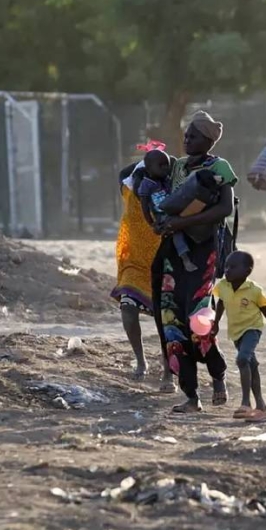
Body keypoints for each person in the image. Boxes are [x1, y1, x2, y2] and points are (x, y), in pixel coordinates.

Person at [152, 110, 238, 414]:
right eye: (186, 135)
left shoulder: (220, 167)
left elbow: (225, 209)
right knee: (170, 320)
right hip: (173, 253)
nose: (187, 139)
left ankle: (218, 375)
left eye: (193, 135)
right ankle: (191, 395)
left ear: (209, 140)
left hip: (204, 251)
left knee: (198, 320)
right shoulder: (176, 167)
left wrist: (182, 224)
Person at [112, 148, 166, 384]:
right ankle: (141, 360)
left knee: (166, 320)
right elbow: (126, 172)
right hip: (134, 265)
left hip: (164, 264)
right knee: (128, 309)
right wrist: (144, 163)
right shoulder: (127, 190)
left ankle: (168, 368)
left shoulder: (164, 194)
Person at [212, 251, 266, 421]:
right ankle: (262, 406)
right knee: (252, 365)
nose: (227, 270)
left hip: (252, 329)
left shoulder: (254, 290)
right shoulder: (223, 286)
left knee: (242, 359)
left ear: (247, 271)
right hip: (236, 332)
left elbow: (264, 307)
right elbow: (221, 304)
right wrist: (217, 322)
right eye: (226, 266)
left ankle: (245, 403)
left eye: (233, 267)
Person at [136, 149, 198, 272]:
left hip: (176, 210)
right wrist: (151, 223)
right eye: (161, 165)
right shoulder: (146, 184)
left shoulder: (167, 179)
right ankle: (185, 258)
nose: (165, 168)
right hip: (163, 216)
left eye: (167, 165)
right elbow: (144, 206)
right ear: (149, 168)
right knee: (177, 233)